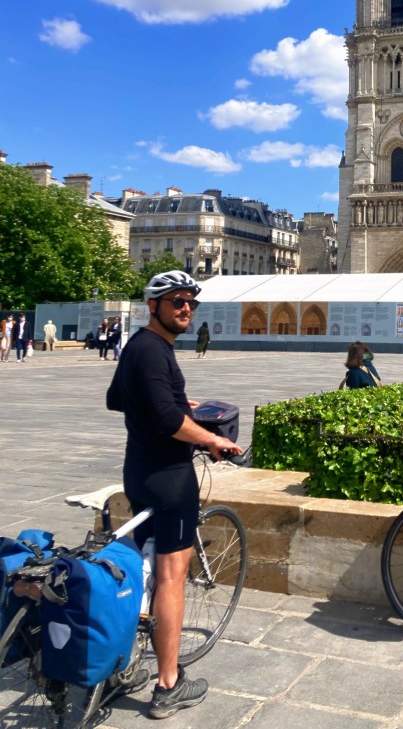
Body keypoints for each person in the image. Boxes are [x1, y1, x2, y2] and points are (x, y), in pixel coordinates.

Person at [106, 271, 243, 719]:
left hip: (138, 472)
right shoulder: (154, 350)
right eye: (176, 302)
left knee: (144, 570)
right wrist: (211, 438)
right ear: (153, 306)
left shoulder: (139, 347)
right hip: (169, 477)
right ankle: (169, 684)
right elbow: (167, 421)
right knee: (170, 577)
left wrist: (175, 402)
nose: (186, 309)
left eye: (190, 303)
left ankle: (121, 660)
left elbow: (116, 398)